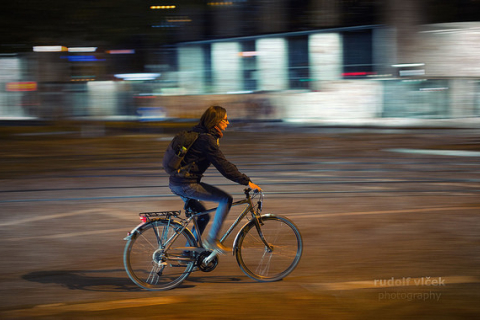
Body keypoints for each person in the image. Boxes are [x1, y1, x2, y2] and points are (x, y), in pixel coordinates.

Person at [168, 105, 262, 253]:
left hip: (177, 183)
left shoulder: (199, 134)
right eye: (225, 119)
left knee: (203, 217)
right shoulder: (206, 139)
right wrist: (246, 181)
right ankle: (212, 240)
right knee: (226, 199)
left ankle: (188, 253)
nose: (228, 122)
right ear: (216, 121)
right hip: (186, 184)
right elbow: (223, 166)